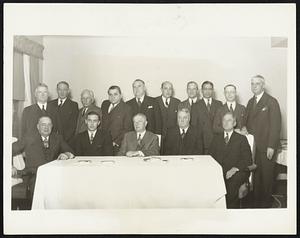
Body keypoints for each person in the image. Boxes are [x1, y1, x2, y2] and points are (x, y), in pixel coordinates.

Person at [12, 116, 74, 203]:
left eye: (49, 125)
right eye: (43, 125)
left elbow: (70, 151)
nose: (46, 127)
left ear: (52, 126)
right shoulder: (28, 138)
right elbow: (8, 149)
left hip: (54, 176)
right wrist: (10, 166)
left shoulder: (57, 138)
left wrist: (66, 154)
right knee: (38, 202)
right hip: (35, 176)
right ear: (38, 126)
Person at [242, 75, 281, 208]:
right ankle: (257, 204)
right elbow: (245, 122)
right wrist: (243, 127)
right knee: (256, 177)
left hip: (266, 147)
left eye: (257, 84)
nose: (254, 86)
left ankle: (266, 206)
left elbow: (276, 126)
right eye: (252, 84)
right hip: (252, 147)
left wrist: (271, 146)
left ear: (263, 85)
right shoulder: (249, 102)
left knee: (267, 178)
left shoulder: (271, 101)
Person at [209, 112, 252, 208]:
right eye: (224, 120)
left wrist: (235, 169)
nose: (226, 122)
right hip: (220, 171)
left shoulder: (241, 139)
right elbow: (210, 157)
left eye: (229, 120)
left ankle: (231, 215)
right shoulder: (216, 138)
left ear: (234, 123)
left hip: (237, 171)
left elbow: (248, 159)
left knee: (231, 184)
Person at [192, 81, 222, 154]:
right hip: (202, 143)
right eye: (205, 89)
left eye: (210, 89)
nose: (207, 91)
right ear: (202, 90)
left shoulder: (219, 104)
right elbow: (194, 125)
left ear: (212, 90)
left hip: (217, 142)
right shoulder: (196, 105)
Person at [101, 86, 133, 155]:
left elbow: (128, 129)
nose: (113, 97)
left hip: (117, 145)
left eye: (115, 94)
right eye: (110, 94)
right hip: (103, 143)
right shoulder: (105, 104)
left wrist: (116, 142)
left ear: (120, 95)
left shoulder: (127, 108)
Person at [155, 81, 180, 151]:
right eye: (165, 88)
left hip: (173, 137)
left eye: (170, 89)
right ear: (161, 89)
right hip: (158, 136)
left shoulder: (177, 102)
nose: (168, 91)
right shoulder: (155, 101)